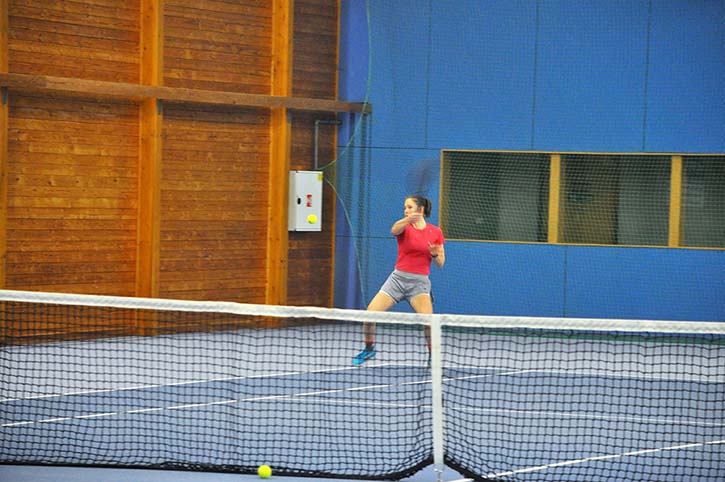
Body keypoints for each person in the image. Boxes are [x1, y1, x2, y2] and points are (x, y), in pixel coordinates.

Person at [352, 195, 445, 366]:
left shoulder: (435, 232)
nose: (406, 210)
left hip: (419, 284)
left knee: (428, 321)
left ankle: (433, 356)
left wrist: (434, 254)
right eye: (405, 207)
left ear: (420, 210)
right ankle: (369, 348)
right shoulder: (404, 227)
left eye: (409, 207)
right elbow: (394, 230)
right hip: (397, 280)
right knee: (370, 314)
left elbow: (440, 263)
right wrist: (408, 219)